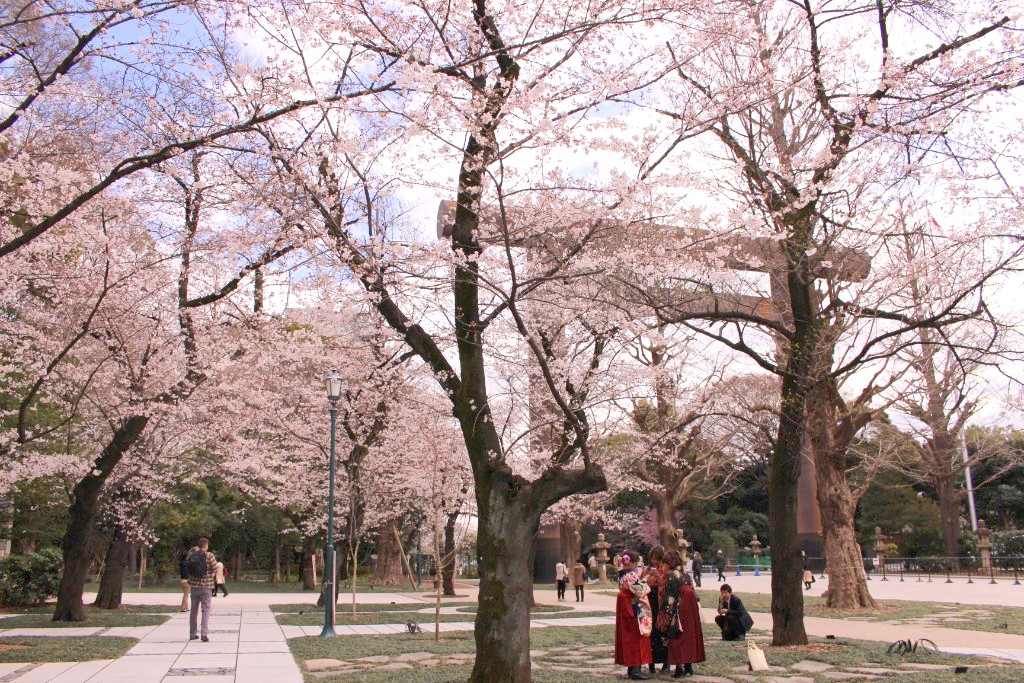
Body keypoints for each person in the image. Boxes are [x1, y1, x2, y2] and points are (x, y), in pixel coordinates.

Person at [661, 551, 706, 678]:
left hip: (680, 607)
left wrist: (667, 612)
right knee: (688, 636)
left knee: (676, 636)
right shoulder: (686, 575)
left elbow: (670, 596)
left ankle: (679, 667)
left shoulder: (671, 574)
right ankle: (688, 665)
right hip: (690, 607)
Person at [614, 549, 653, 680]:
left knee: (629, 637)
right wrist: (647, 580)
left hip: (626, 608)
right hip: (634, 608)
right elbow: (643, 590)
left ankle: (632, 668)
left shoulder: (621, 574)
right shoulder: (631, 575)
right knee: (637, 637)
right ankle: (636, 670)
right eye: (636, 563)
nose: (637, 566)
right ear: (631, 563)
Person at [642, 545, 668, 675]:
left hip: (660, 603)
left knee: (661, 632)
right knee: (650, 633)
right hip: (648, 602)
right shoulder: (647, 569)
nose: (654, 561)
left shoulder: (665, 568)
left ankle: (665, 662)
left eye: (657, 559)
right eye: (652, 559)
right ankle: (650, 663)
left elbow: (665, 586)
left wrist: (657, 576)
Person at [186, 537, 217, 642]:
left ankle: (192, 634)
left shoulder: (192, 554)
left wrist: (192, 550)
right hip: (206, 587)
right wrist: (210, 576)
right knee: (205, 610)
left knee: (193, 611)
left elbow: (187, 564)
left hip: (194, 587)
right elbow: (215, 567)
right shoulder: (209, 555)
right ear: (206, 546)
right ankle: (204, 634)